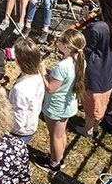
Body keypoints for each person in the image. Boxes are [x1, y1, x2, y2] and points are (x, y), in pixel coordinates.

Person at [33, 29, 87, 173]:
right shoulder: (80, 61)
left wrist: (43, 70)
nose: (58, 43)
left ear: (67, 47)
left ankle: (54, 163)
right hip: (68, 104)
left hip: (56, 106)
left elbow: (50, 88)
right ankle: (59, 157)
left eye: (61, 41)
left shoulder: (62, 66)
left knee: (55, 136)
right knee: (61, 133)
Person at [75, 0, 112, 139]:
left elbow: (86, 49)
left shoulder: (97, 27)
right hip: (110, 68)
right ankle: (96, 127)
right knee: (103, 99)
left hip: (96, 70)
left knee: (92, 101)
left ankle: (88, 130)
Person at [8, 37, 46, 144]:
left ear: (18, 60)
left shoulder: (20, 89)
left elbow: (18, 120)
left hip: (18, 133)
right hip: (31, 124)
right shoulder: (38, 75)